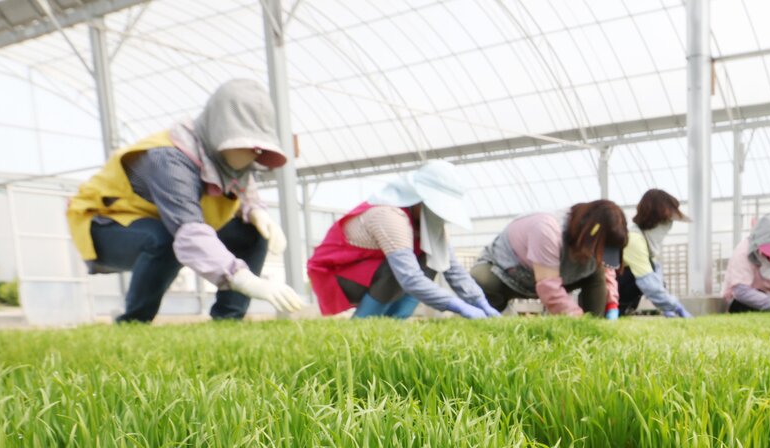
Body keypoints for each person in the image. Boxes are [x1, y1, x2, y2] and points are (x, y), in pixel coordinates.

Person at [66, 79, 304, 322]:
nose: (255, 154)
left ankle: (229, 321)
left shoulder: (228, 162)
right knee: (165, 239)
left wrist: (256, 211)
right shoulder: (168, 160)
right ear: (223, 131)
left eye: (260, 149)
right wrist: (243, 278)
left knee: (250, 233)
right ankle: (134, 322)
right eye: (249, 144)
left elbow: (243, 190)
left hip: (165, 222)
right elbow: (188, 232)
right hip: (106, 225)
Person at [306, 161, 495, 320]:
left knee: (432, 259)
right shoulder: (389, 215)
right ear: (419, 199)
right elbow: (409, 278)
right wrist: (458, 306)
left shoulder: (428, 224)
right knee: (398, 268)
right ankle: (365, 322)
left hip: (374, 275)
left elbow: (452, 269)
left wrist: (479, 301)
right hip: (340, 275)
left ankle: (396, 322)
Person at [470, 202, 627, 317]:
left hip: (552, 276)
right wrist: (577, 318)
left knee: (596, 271)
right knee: (483, 279)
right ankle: (491, 317)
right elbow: (548, 287)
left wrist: (612, 303)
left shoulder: (593, 240)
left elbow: (607, 270)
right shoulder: (547, 229)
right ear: (590, 233)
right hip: (510, 273)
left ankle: (595, 327)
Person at [617, 189, 692, 317]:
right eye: (667, 220)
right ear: (656, 219)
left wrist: (667, 307)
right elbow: (648, 283)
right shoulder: (634, 239)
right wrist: (675, 306)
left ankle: (623, 311)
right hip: (608, 301)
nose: (669, 225)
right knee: (646, 274)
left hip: (621, 300)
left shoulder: (646, 241)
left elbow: (656, 277)